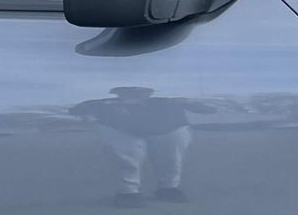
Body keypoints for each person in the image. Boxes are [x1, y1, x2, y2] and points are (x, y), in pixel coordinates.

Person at [71, 86, 214, 207]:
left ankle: (167, 188)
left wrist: (190, 102)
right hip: (124, 129)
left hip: (168, 128)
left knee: (170, 160)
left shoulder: (170, 101)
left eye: (139, 93)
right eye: (130, 93)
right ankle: (129, 191)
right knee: (127, 161)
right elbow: (77, 110)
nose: (136, 95)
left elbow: (207, 109)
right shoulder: (106, 103)